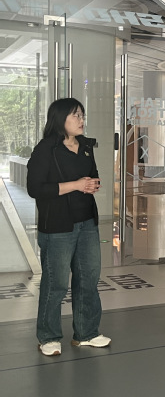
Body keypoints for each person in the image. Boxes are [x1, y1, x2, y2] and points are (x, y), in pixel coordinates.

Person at [27, 98, 111, 356]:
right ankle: (48, 337)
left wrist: (92, 184)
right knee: (56, 284)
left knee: (88, 280)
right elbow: (35, 189)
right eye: (76, 115)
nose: (81, 120)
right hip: (57, 227)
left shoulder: (85, 146)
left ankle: (87, 333)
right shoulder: (46, 149)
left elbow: (93, 175)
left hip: (87, 223)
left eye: (82, 115)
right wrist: (76, 185)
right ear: (60, 119)